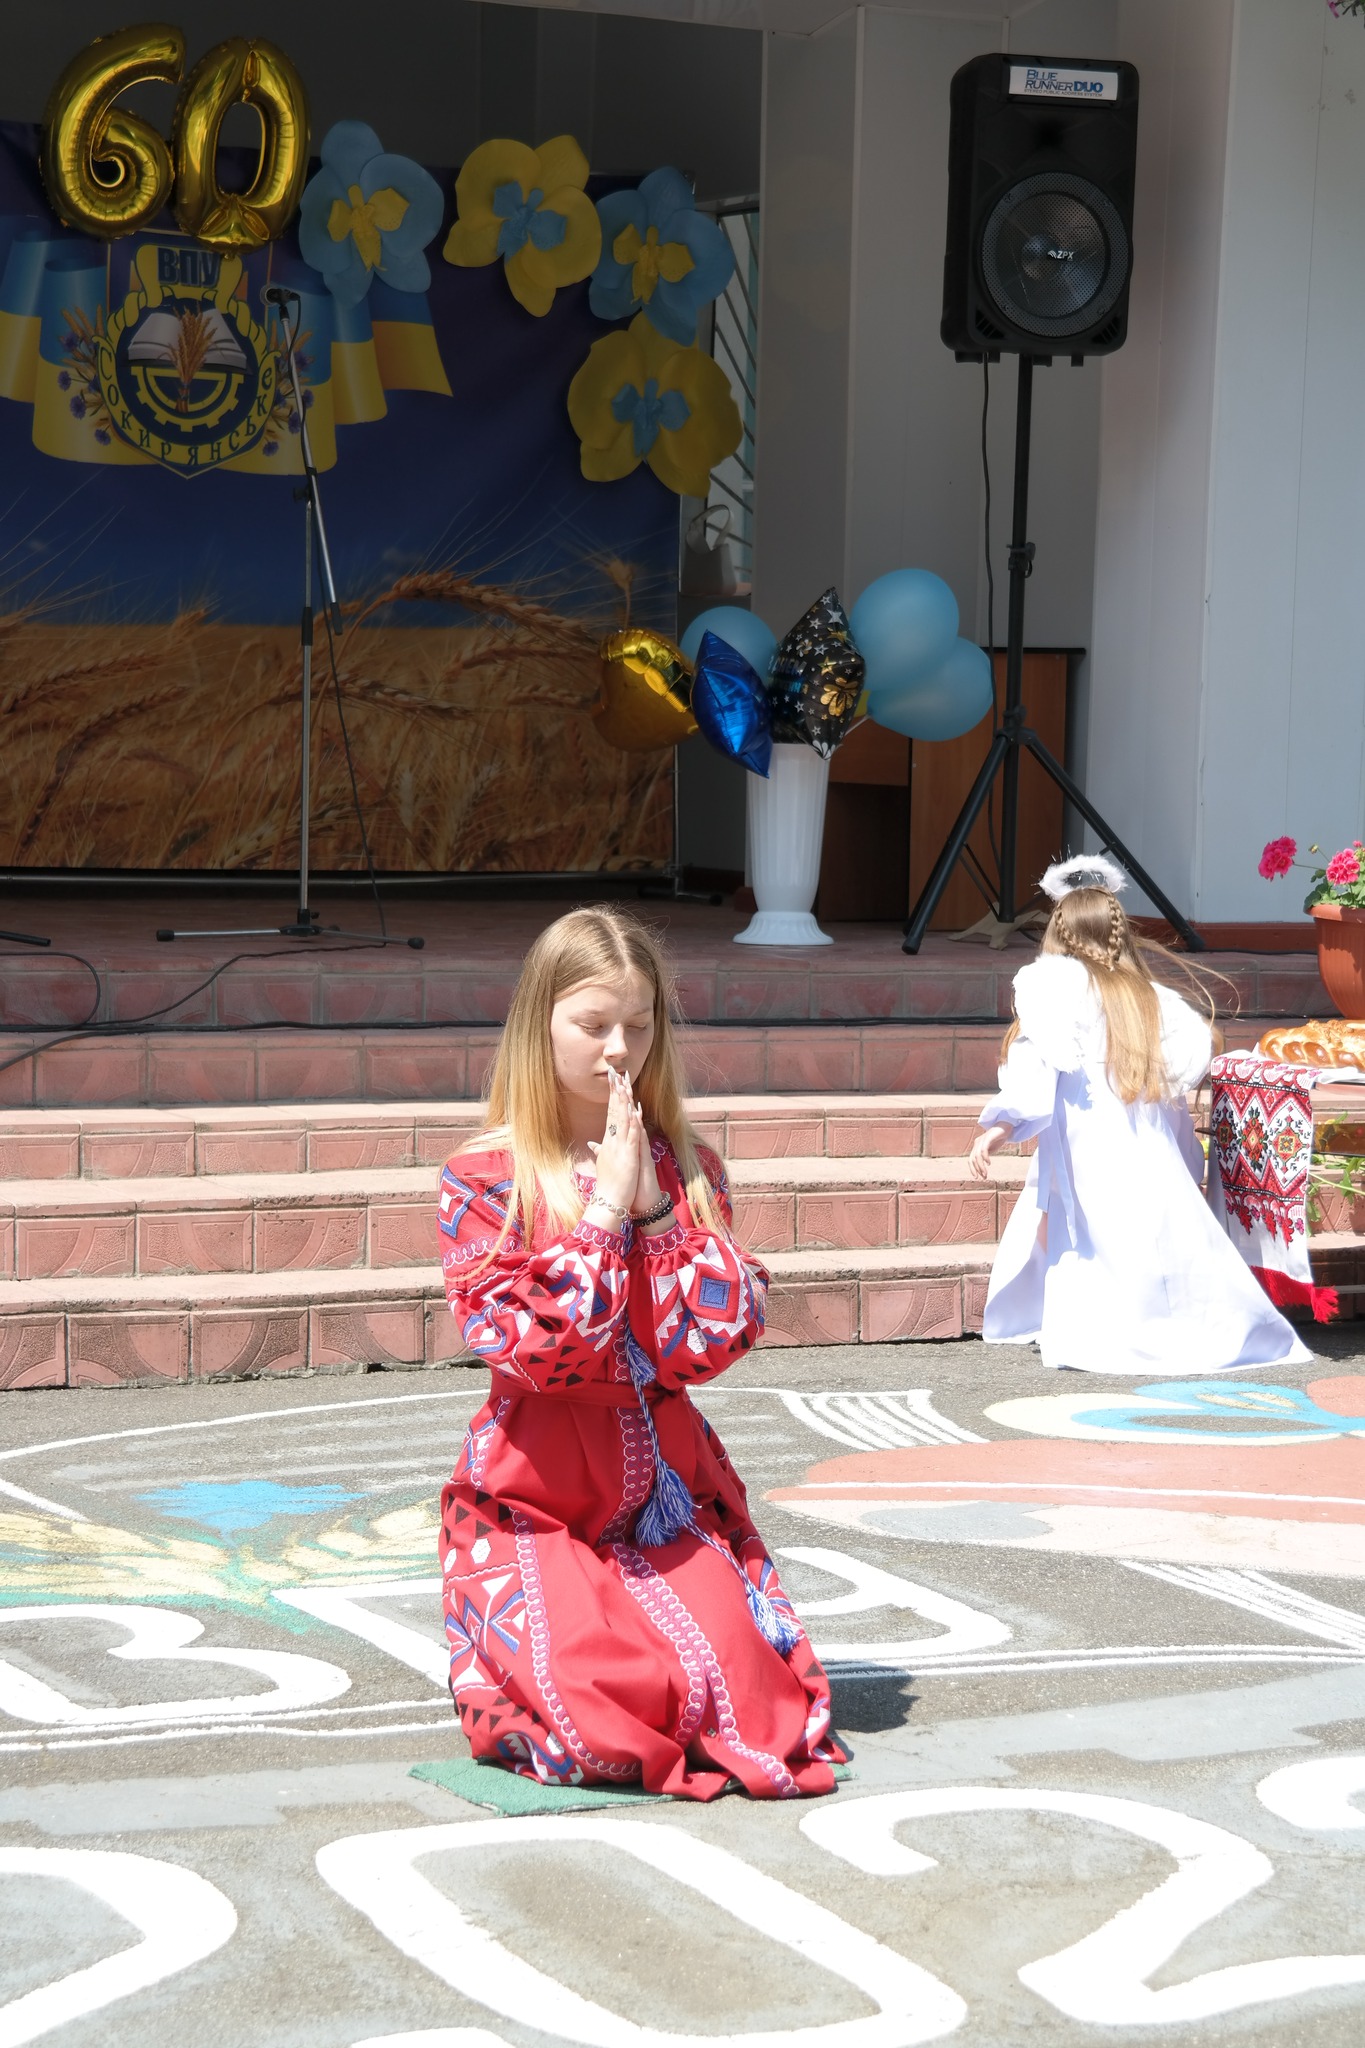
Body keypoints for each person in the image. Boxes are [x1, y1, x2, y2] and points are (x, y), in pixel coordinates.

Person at [435, 905, 844, 1799]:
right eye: (592, 1025)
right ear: (538, 1025)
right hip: (535, 1492)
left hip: (667, 1488)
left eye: (640, 1025)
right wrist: (600, 1213)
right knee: (601, 1721)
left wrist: (656, 1206)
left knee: (745, 1703)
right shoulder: (483, 1177)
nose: (619, 1049)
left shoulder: (689, 1169)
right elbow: (532, 1353)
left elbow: (707, 1347)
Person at [968, 855, 1311, 1375]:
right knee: (1154, 1226)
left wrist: (1000, 1127)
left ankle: (1099, 1326)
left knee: (1091, 1230)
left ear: (1059, 931)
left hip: (1085, 1129)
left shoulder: (1051, 985)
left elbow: (1037, 1067)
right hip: (1147, 1130)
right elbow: (1183, 1069)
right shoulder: (1152, 996)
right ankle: (1188, 1325)